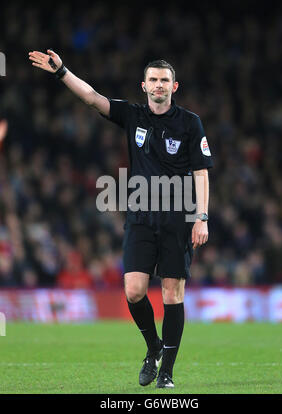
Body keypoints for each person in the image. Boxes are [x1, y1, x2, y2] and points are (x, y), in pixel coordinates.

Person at [28, 49, 213, 388]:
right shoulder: (133, 115)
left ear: (175, 87)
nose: (159, 85)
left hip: (177, 219)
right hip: (141, 216)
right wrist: (61, 71)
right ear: (144, 86)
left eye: (165, 80)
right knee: (133, 291)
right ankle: (153, 346)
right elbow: (92, 98)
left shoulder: (190, 122)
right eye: (154, 80)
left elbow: (201, 173)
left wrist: (200, 217)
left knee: (172, 293)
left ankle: (167, 373)